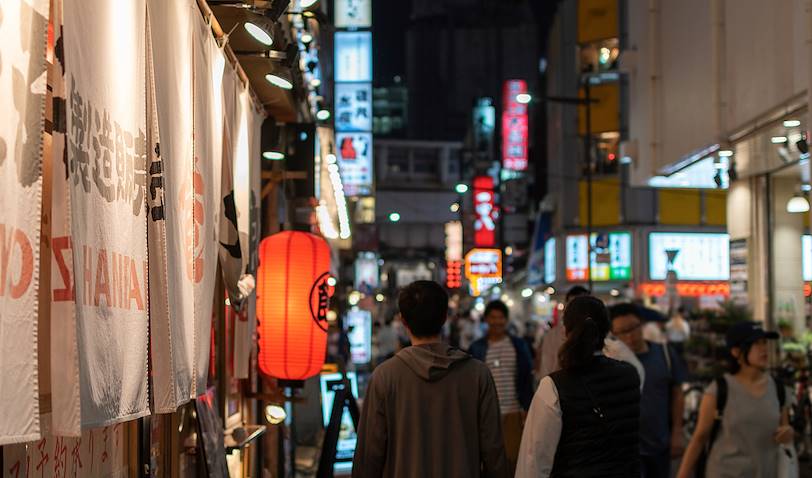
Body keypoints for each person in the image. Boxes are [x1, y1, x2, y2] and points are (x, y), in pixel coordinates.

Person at [353, 281, 509, 478]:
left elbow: (369, 457)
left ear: (403, 321)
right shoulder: (478, 375)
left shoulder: (384, 377)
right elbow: (494, 453)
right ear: (444, 317)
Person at [516, 295, 641, 477]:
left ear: (566, 331)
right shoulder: (630, 375)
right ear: (607, 329)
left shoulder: (553, 386)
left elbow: (534, 460)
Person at [677, 321, 793, 478]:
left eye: (764, 342)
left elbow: (784, 431)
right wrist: (682, 475)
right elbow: (699, 438)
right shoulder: (719, 390)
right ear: (736, 351)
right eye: (755, 344)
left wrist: (788, 434)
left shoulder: (779, 390)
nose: (764, 348)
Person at [610, 303, 687, 478]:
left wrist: (677, 432)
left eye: (633, 328)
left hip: (660, 444)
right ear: (613, 334)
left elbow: (677, 394)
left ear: (641, 324)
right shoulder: (613, 363)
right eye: (622, 332)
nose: (630, 336)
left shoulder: (665, 354)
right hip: (625, 450)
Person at [469, 300, 535, 474]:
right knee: (489, 463)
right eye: (493, 317)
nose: (497, 322)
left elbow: (526, 379)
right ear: (486, 319)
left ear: (506, 320)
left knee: (513, 461)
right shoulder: (476, 348)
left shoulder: (518, 345)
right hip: (487, 415)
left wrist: (527, 408)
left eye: (500, 318)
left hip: (513, 412)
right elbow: (471, 383)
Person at [538, 286, 590, 378]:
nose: (578, 311)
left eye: (583, 306)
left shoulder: (599, 333)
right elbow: (546, 370)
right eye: (574, 306)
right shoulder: (552, 336)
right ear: (566, 307)